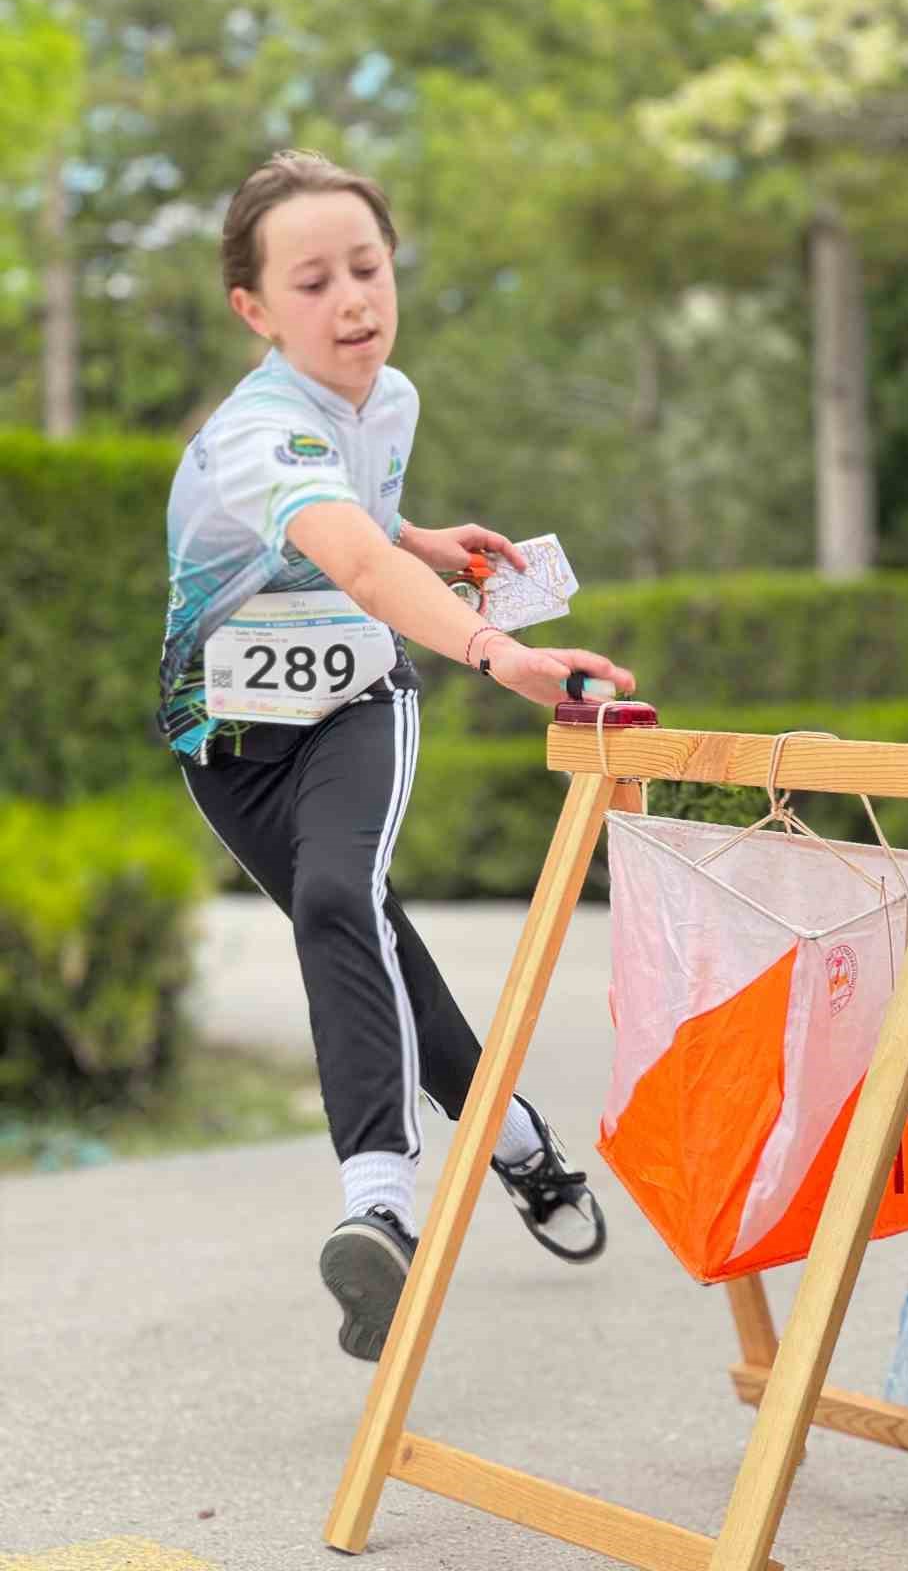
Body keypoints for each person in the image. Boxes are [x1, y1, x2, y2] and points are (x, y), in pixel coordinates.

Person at [157, 148, 635, 1363]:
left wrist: (428, 537)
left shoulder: (393, 397)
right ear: (256, 312)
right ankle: (519, 1141)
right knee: (373, 942)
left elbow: (366, 537)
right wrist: (501, 653)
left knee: (335, 901)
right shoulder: (257, 432)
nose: (354, 300)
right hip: (229, 741)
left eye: (367, 267)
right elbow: (352, 558)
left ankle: (379, 1206)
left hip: (359, 700)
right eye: (313, 282)